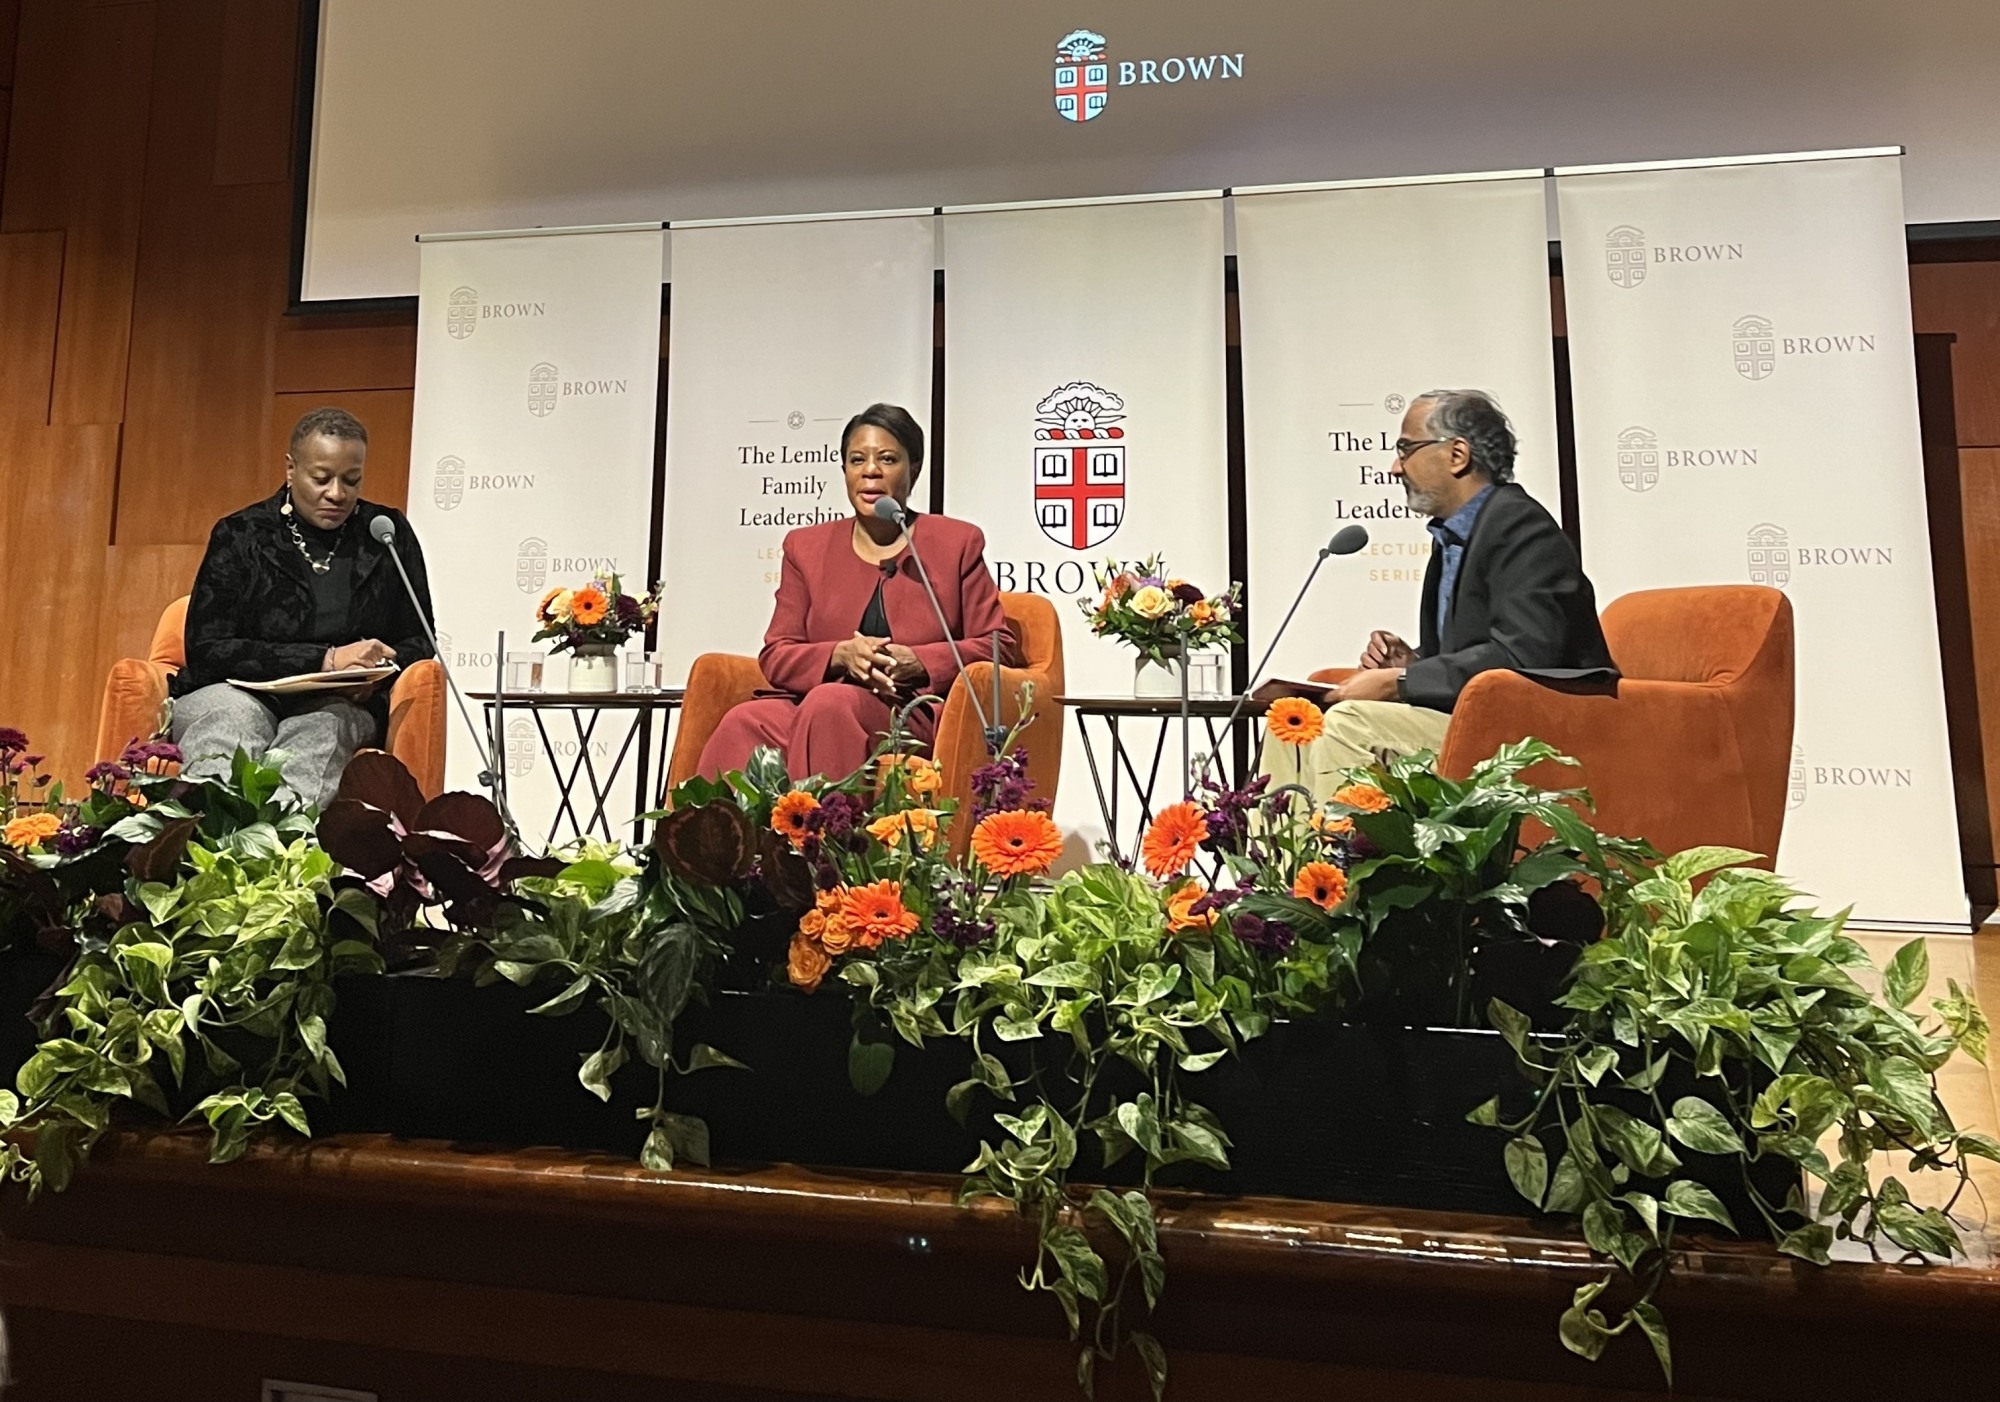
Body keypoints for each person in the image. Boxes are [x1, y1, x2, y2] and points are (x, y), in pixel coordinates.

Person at [1261, 389, 1616, 800]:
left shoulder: (1521, 527)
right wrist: (1415, 662)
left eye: (1406, 449)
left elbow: (1525, 656)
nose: (1395, 467)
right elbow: (1477, 652)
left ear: (1457, 455)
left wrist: (1402, 681)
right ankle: (1281, 865)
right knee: (1293, 726)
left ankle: (1333, 861)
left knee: (1349, 724)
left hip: (1533, 733)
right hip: (1472, 718)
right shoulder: (1453, 536)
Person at [697, 403, 1011, 781]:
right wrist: (841, 655)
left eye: (888, 459)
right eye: (856, 459)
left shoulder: (956, 542)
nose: (871, 471)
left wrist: (918, 660)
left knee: (831, 704)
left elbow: (998, 646)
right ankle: (705, 840)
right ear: (844, 470)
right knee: (745, 721)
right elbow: (777, 653)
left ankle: (825, 840)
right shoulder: (806, 547)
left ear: (914, 469)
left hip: (908, 713)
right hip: (814, 703)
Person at [169, 407, 436, 807]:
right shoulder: (241, 533)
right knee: (232, 724)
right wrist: (324, 659)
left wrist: (378, 665)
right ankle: (201, 854)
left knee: (322, 731)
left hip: (339, 702)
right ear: (291, 469)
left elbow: (421, 636)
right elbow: (208, 649)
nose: (337, 494)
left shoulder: (383, 534)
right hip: (237, 691)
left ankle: (280, 858)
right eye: (321, 478)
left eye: (352, 480)